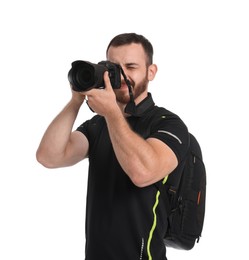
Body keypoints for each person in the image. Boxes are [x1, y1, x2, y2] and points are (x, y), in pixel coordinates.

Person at [36, 33, 189, 260]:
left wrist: (111, 112)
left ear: (151, 72)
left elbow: (142, 172)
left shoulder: (169, 125)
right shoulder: (98, 125)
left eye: (131, 66)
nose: (122, 75)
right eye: (114, 67)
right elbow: (49, 156)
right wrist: (76, 100)